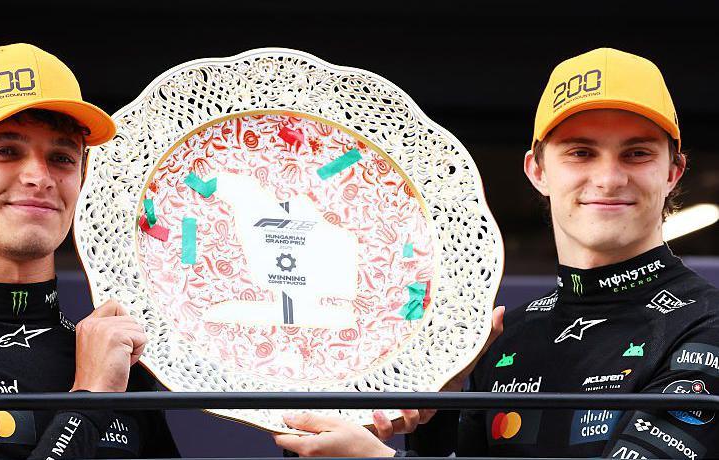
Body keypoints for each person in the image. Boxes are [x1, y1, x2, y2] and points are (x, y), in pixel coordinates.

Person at [274, 48, 719, 459]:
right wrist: (426, 411)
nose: (608, 178)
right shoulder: (508, 334)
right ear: (537, 171)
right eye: (580, 152)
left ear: (673, 172)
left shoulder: (707, 325)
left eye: (637, 153)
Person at [0, 43, 179, 459]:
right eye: (5, 151)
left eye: (63, 157)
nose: (39, 176)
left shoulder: (117, 357)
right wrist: (89, 401)